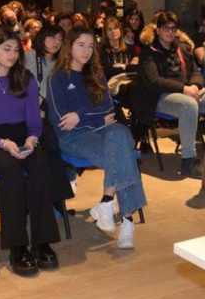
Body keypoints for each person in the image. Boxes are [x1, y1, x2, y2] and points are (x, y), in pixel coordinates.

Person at [0, 29, 61, 276]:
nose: (12, 54)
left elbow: (34, 122)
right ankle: (17, 246)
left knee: (40, 165)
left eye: (16, 50)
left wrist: (32, 138)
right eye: (6, 49)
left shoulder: (25, 78)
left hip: (21, 134)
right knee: (12, 170)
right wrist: (3, 144)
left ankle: (42, 241)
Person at [47, 26, 146, 249]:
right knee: (124, 153)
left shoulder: (96, 73)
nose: (86, 51)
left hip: (102, 130)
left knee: (120, 132)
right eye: (81, 45)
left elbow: (108, 107)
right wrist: (96, 117)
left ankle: (107, 202)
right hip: (73, 137)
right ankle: (127, 220)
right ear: (69, 46)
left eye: (91, 46)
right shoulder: (57, 77)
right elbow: (61, 119)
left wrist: (80, 115)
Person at [131, 11, 205, 178]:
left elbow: (195, 71)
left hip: (185, 92)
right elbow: (154, 81)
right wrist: (184, 89)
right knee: (189, 105)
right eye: (166, 28)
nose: (170, 32)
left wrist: (195, 85)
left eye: (173, 28)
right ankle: (188, 159)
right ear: (158, 30)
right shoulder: (148, 51)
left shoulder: (181, 48)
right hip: (157, 97)